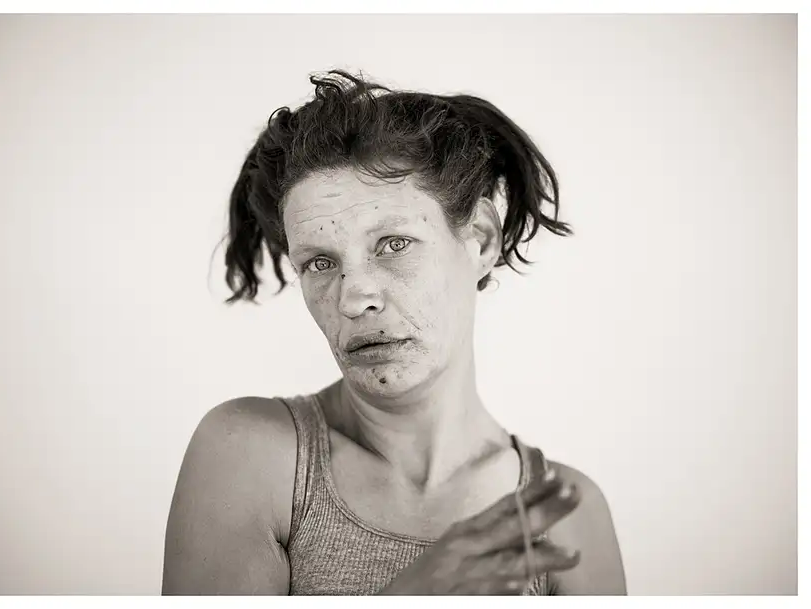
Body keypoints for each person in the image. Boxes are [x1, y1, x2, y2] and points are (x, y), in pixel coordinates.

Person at [161, 70, 626, 595]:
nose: (353, 297)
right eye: (319, 263)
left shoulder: (566, 517)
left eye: (393, 245)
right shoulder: (250, 454)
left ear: (479, 239)